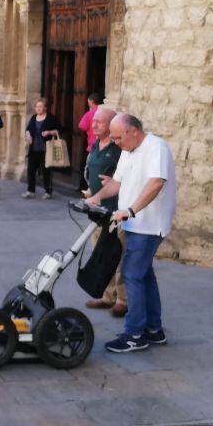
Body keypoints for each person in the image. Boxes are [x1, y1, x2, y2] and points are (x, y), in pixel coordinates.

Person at [87, 113, 177, 353]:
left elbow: (156, 182)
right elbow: (117, 183)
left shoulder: (156, 147)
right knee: (144, 274)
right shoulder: (127, 150)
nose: (115, 142)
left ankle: (134, 334)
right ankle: (154, 330)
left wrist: (131, 210)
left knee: (131, 274)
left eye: (118, 138)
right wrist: (96, 197)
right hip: (133, 224)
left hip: (149, 225)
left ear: (133, 131)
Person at [81, 106, 127, 317]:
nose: (94, 124)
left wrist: (117, 184)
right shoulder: (95, 145)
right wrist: (90, 190)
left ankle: (123, 300)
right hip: (98, 210)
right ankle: (107, 296)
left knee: (117, 256)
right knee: (101, 255)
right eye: (94, 121)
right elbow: (91, 170)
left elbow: (130, 176)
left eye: (99, 121)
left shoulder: (119, 149)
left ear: (111, 125)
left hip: (116, 211)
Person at [22, 98, 62, 200]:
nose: (38, 108)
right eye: (37, 106)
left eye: (40, 106)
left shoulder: (51, 118)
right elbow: (28, 129)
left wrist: (49, 132)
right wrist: (28, 135)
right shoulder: (33, 117)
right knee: (31, 169)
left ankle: (48, 191)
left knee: (46, 171)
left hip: (46, 149)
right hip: (34, 148)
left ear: (45, 108)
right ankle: (30, 191)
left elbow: (59, 130)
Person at [77, 92, 104, 189]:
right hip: (104, 145)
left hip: (92, 145)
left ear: (91, 101)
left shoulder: (90, 114)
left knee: (87, 168)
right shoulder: (105, 113)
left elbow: (82, 126)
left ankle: (86, 188)